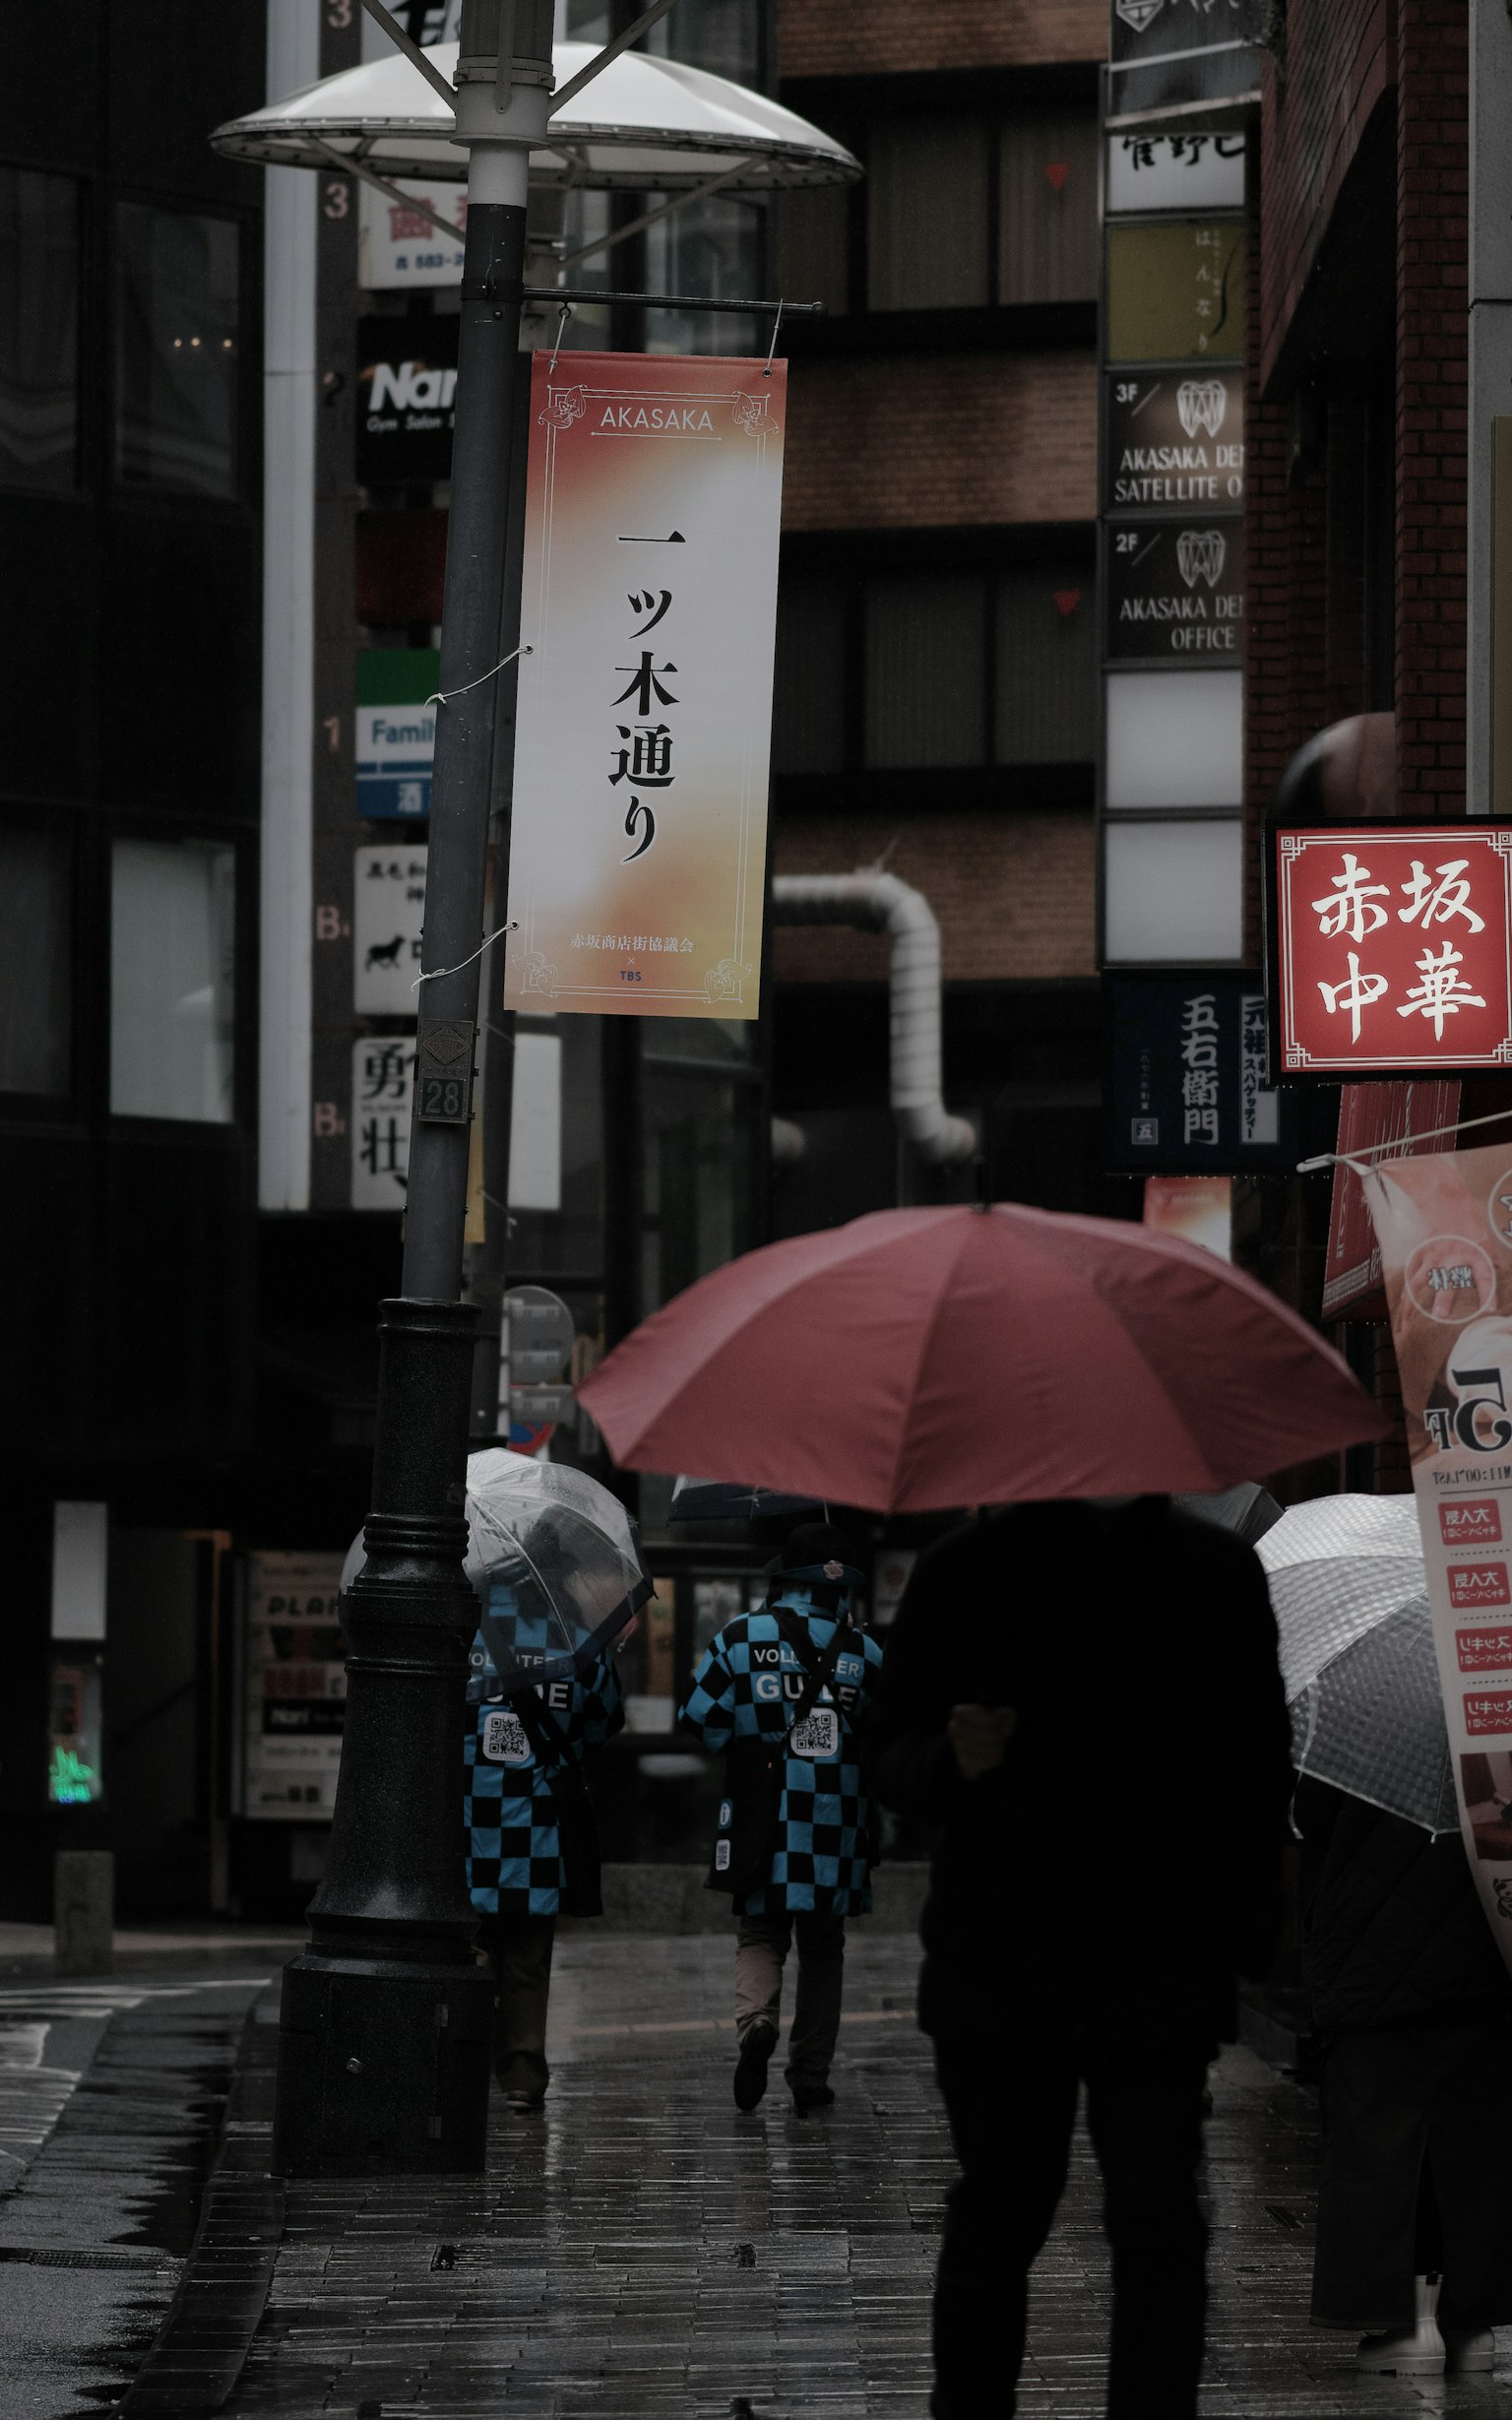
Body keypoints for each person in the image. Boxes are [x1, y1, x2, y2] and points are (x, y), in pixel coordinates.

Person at [865, 1495, 1292, 2420]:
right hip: (1008, 1960)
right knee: (1007, 2212)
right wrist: (950, 1759)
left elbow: (1259, 1771)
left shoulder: (1208, 1575)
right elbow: (883, 1751)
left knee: (1155, 2223)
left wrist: (1247, 1934)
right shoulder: (967, 1573)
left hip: (1154, 1956)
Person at [1293, 1771, 1512, 2375]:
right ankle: (1471, 2324)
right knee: (1474, 2134)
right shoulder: (1487, 1685)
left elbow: (1302, 1817)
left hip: (1371, 1946)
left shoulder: (1355, 1704)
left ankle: (1410, 2323)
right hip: (1484, 1931)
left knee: (1384, 2138)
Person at [678, 1520, 883, 2116]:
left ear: (784, 1579)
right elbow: (883, 1733)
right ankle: (811, 2075)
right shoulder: (866, 1652)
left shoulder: (741, 1636)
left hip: (762, 1814)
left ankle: (756, 2024)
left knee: (762, 1929)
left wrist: (752, 1738)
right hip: (837, 1820)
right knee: (824, 1944)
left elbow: (699, 1716)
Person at [463, 1586, 624, 2112]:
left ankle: (462, 2062)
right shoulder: (577, 1637)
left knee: (471, 1948)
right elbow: (604, 1720)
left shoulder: (461, 1632)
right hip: (539, 1823)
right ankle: (522, 2077)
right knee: (529, 1957)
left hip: (467, 1820)